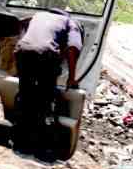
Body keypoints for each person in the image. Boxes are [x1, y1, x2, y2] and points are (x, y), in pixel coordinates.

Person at [14, 10, 83, 154]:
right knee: (45, 100)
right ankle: (40, 146)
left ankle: (19, 142)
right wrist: (71, 77)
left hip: (22, 51)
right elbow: (72, 48)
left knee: (25, 96)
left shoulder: (38, 15)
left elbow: (21, 23)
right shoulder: (71, 22)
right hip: (46, 55)